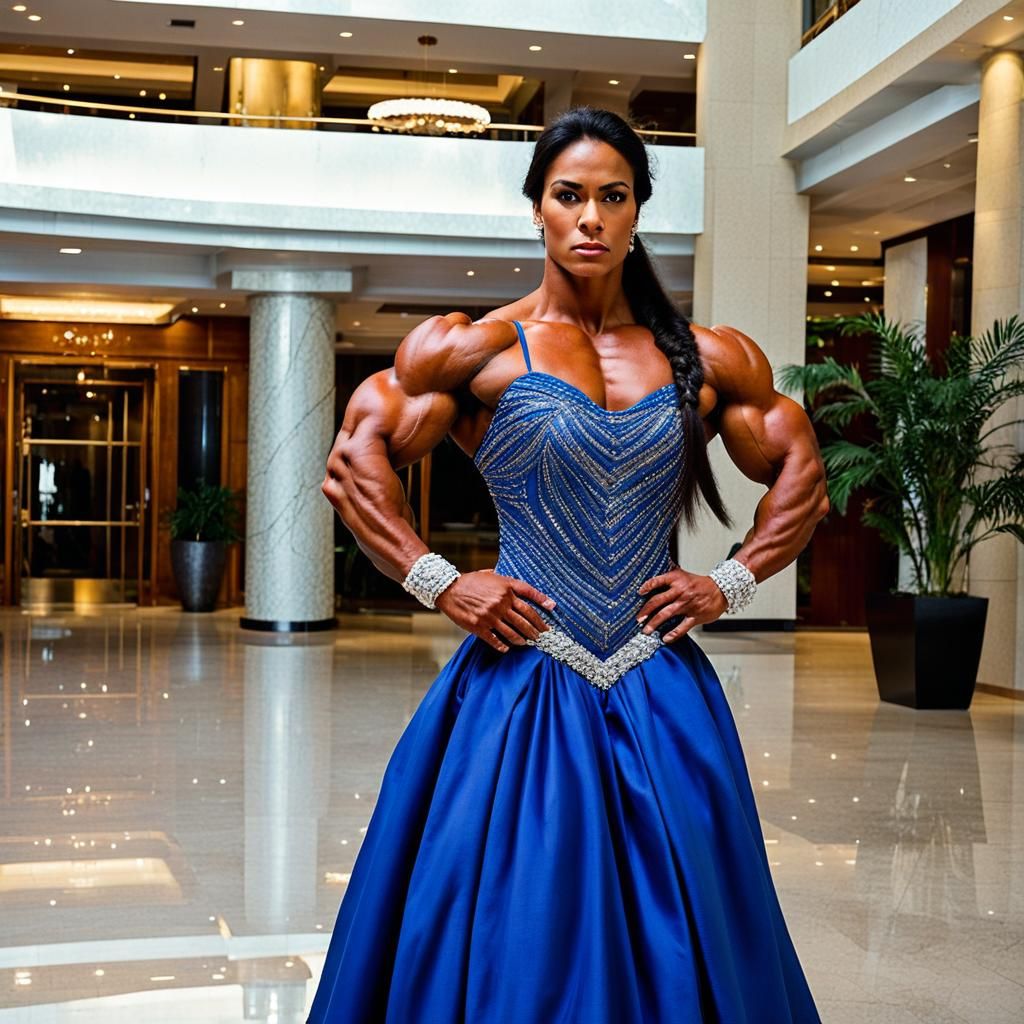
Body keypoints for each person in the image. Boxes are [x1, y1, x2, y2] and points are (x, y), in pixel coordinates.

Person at [309, 106, 829, 1023]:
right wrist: (443, 580)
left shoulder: (706, 358)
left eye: (613, 197)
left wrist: (730, 582)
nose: (590, 216)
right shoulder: (472, 350)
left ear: (638, 214)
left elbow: (802, 470)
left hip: (659, 680)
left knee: (696, 911)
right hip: (519, 679)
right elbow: (357, 461)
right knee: (514, 912)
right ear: (538, 210)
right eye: (569, 195)